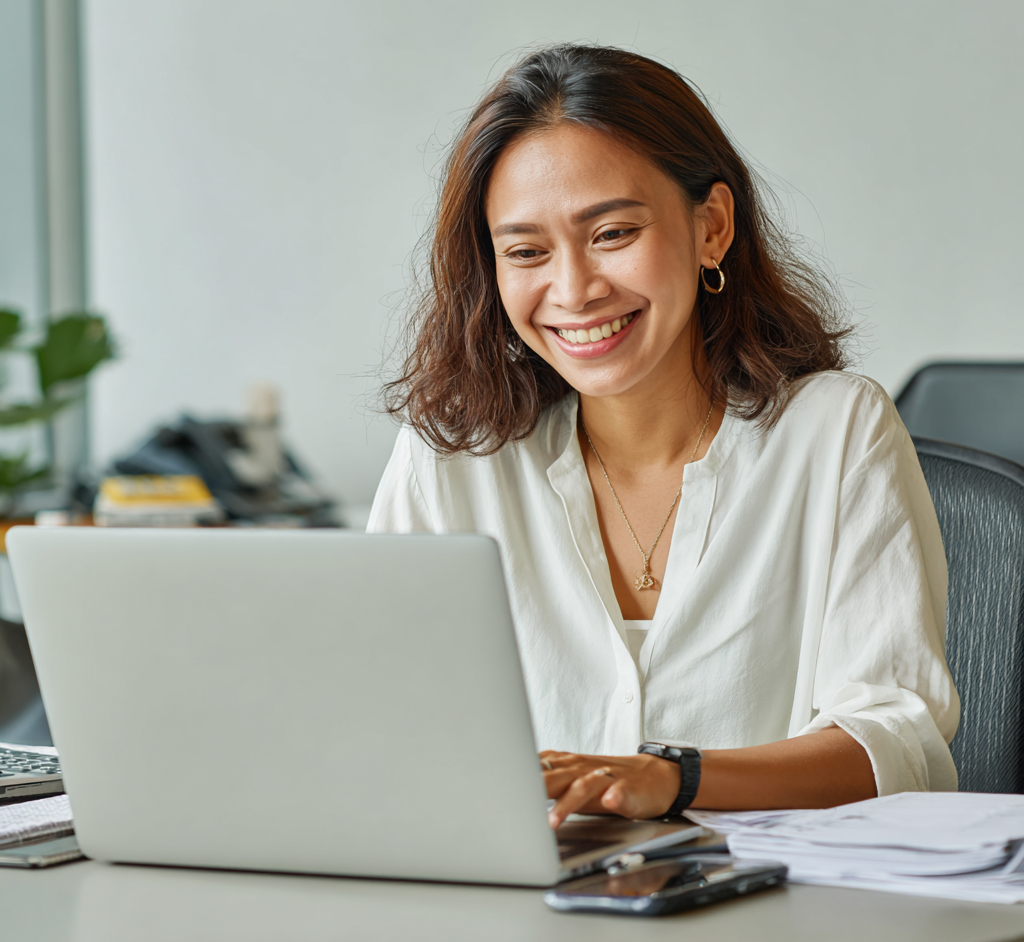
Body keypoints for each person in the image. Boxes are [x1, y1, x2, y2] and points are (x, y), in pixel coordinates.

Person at [368, 44, 958, 825]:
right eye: (526, 252)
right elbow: (373, 728)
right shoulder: (449, 461)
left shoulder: (837, 431)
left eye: (612, 233)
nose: (574, 289)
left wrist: (674, 777)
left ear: (711, 228)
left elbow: (895, 743)